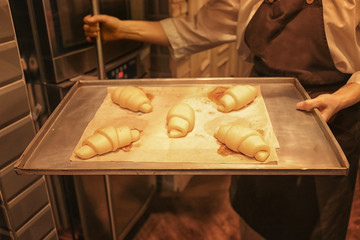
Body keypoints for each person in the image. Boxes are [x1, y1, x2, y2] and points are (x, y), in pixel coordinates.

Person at [84, 0, 360, 239]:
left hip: (332, 114)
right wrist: (122, 29)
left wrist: (343, 95)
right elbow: (193, 29)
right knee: (256, 212)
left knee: (315, 222)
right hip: (258, 109)